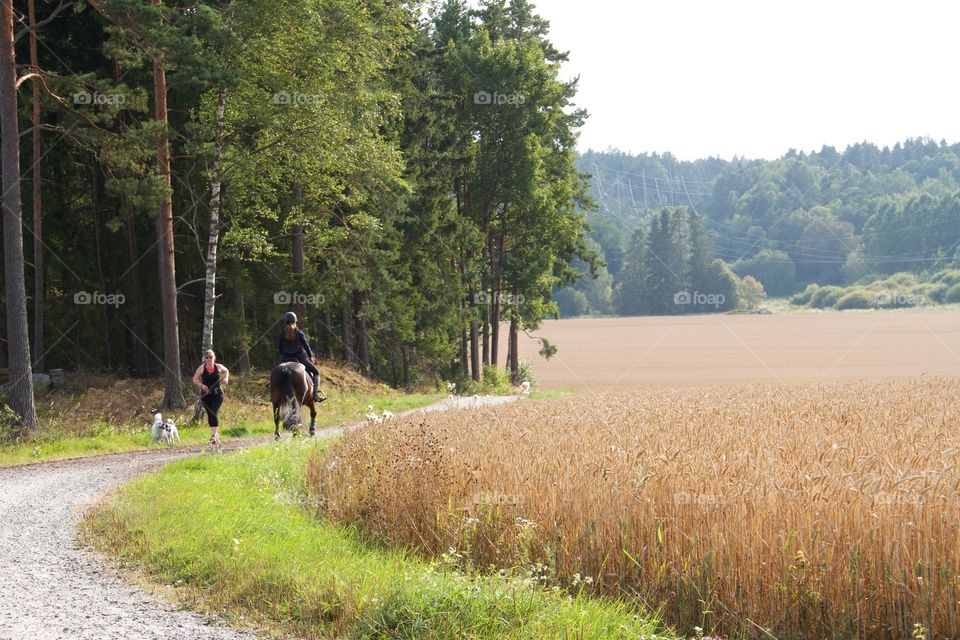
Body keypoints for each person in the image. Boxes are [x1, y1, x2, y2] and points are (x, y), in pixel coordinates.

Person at [278, 311, 325, 403]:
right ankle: (315, 394)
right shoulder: (299, 333)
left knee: (277, 374)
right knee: (316, 372)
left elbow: (280, 350)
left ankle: (274, 391)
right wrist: (311, 356)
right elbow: (306, 346)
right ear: (295, 321)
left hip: (285, 359)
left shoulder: (281, 335)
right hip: (300, 358)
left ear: (285, 322)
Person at [192, 349, 229, 445]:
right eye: (207, 357)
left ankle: (215, 435)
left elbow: (226, 371)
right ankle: (214, 435)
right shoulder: (201, 368)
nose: (209, 359)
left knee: (213, 411)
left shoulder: (218, 367)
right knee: (210, 414)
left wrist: (226, 379)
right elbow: (195, 379)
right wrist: (202, 386)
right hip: (205, 395)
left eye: (211, 357)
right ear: (205, 358)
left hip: (217, 394)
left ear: (214, 358)